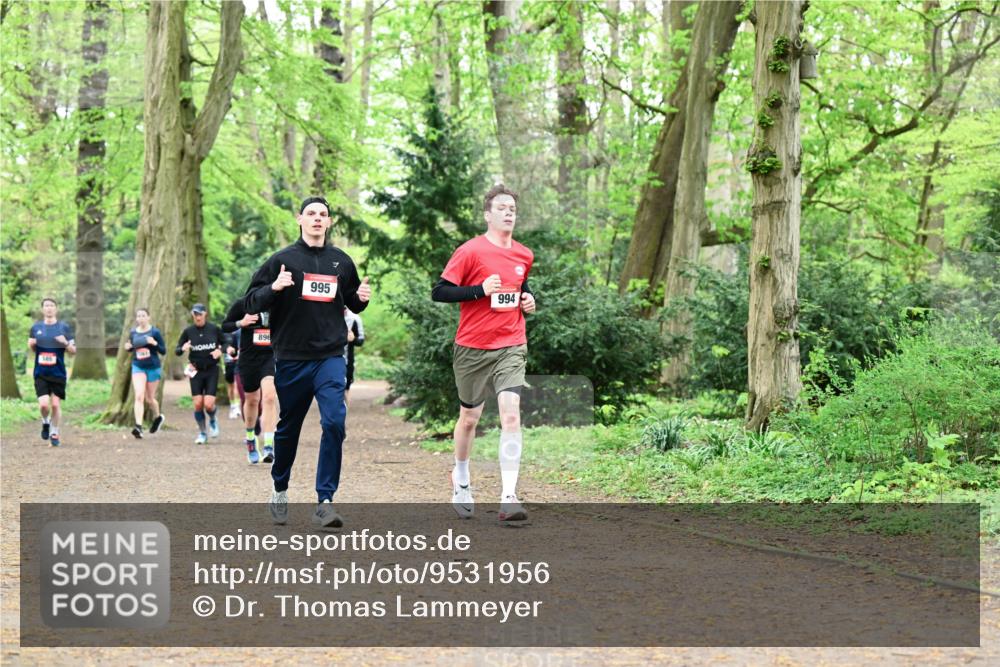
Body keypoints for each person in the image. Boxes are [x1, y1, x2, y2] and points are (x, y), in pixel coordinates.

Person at [243, 195, 371, 527]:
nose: (317, 218)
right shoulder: (282, 260)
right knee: (288, 428)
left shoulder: (341, 261)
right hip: (292, 357)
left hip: (330, 356)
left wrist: (362, 299)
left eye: (323, 214)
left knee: (334, 423)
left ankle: (325, 501)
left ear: (329, 222)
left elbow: (354, 304)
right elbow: (251, 301)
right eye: (311, 213)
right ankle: (280, 487)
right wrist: (274, 287)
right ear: (300, 219)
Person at [431, 184, 536, 522]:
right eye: (502, 208)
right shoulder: (470, 251)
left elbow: (521, 289)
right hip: (473, 347)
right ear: (488, 214)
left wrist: (528, 301)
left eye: (513, 209)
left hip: (511, 343)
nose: (509, 213)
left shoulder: (524, 255)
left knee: (510, 414)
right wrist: (478, 290)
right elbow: (440, 291)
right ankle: (461, 477)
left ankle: (509, 496)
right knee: (470, 419)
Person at [223, 298, 277, 465]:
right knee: (252, 401)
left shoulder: (278, 303)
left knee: (269, 397)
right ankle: (251, 440)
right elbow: (225, 326)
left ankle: (269, 445)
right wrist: (241, 322)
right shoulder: (244, 304)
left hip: (269, 357)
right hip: (248, 359)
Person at [28, 298, 76, 447]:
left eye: (51, 306)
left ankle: (54, 432)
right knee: (44, 405)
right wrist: (32, 345)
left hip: (58, 373)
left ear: (56, 309)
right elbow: (33, 348)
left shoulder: (64, 328)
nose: (49, 309)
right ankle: (45, 422)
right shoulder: (36, 328)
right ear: (43, 309)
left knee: (55, 405)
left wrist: (65, 343)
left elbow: (73, 352)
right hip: (41, 372)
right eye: (46, 306)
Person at [174, 303, 225, 445]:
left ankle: (213, 420)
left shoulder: (214, 329)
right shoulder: (188, 331)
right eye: (195, 314)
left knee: (208, 404)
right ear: (192, 315)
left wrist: (220, 351)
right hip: (195, 371)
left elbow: (227, 341)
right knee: (197, 404)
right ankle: (203, 433)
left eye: (200, 314)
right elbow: (177, 350)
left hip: (211, 370)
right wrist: (182, 348)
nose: (197, 317)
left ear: (205, 314)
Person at [123, 307, 166, 439]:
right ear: (136, 319)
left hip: (153, 367)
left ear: (148, 317)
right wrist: (128, 347)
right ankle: (138, 427)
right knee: (139, 396)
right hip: (138, 367)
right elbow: (131, 347)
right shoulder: (133, 332)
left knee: (149, 399)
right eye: (139, 316)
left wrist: (154, 343)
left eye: (143, 316)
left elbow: (163, 350)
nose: (141, 318)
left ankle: (158, 417)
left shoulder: (155, 332)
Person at [343, 307, 365, 404]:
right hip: (330, 356)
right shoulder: (329, 315)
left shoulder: (355, 319)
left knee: (347, 384)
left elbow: (360, 341)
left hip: (348, 358)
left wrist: (353, 339)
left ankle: (344, 409)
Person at [223, 331, 242, 420]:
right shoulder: (224, 333)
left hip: (238, 362)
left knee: (236, 385)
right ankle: (233, 405)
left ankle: (237, 407)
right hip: (228, 363)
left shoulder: (240, 331)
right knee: (230, 386)